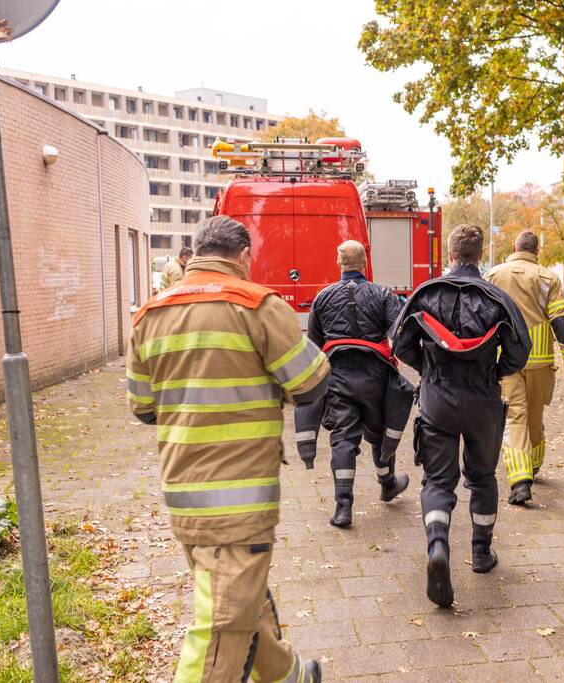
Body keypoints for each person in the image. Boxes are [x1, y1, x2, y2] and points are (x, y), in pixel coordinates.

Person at [127, 216, 327, 683]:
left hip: (183, 495)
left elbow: (141, 407)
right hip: (240, 499)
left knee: (237, 598)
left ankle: (290, 676)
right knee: (222, 626)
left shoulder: (149, 314)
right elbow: (311, 383)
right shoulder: (256, 306)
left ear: (195, 252)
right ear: (243, 257)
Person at [390, 224, 529, 608]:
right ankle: (482, 554)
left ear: (450, 255)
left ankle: (438, 548)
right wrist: (493, 374)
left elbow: (400, 344)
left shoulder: (425, 294)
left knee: (437, 480)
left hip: (437, 399)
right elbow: (520, 353)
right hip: (483, 401)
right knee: (483, 478)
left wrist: (430, 371)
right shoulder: (498, 299)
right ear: (479, 255)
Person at [293, 240, 415, 528]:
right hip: (376, 376)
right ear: (364, 263)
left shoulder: (323, 297)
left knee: (343, 438)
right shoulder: (383, 294)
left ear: (339, 263)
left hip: (338, 377)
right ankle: (387, 483)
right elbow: (399, 332)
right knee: (380, 432)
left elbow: (313, 345)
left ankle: (343, 508)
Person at [485, 231, 564, 506]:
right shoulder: (548, 278)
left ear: (514, 247)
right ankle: (532, 467)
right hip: (540, 361)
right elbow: (561, 324)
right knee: (534, 416)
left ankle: (520, 479)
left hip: (506, 359)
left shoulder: (493, 276)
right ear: (536, 251)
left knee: (515, 416)